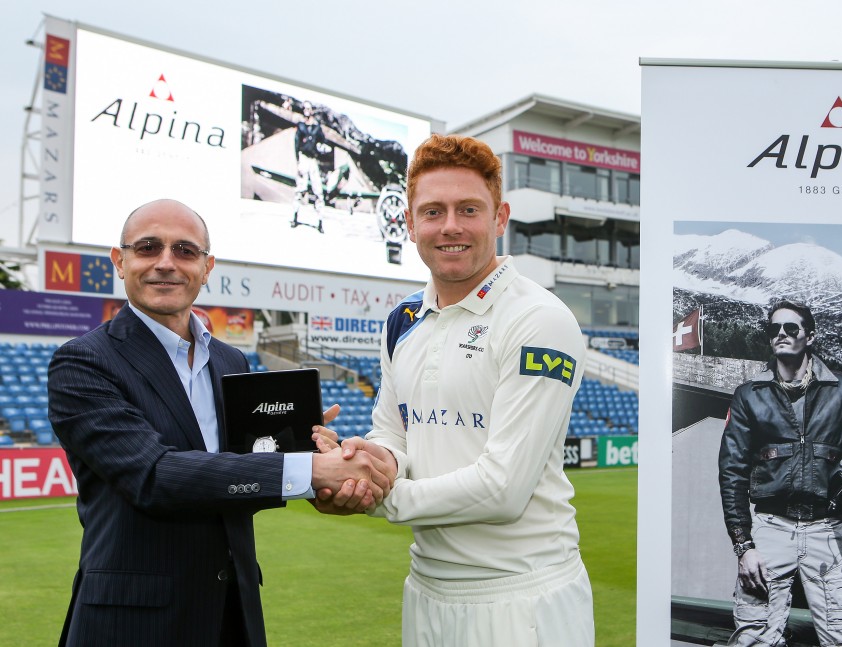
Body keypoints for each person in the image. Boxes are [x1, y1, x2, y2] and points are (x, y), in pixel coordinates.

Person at [48, 199, 394, 647]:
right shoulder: (83, 362)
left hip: (233, 611)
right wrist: (307, 471)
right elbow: (154, 476)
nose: (166, 263)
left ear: (207, 266)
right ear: (120, 260)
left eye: (185, 251)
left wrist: (320, 476)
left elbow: (239, 474)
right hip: (134, 622)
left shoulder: (231, 361)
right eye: (149, 247)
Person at [313, 134, 595, 646]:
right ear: (410, 222)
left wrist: (375, 498)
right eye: (433, 211)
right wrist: (360, 461)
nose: (450, 227)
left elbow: (503, 489)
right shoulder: (403, 320)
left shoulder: (539, 319)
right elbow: (395, 436)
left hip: (520, 598)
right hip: (426, 588)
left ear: (500, 218)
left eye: (469, 209)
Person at [718, 299, 842, 646]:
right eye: (774, 328)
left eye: (790, 328)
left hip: (827, 529)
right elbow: (731, 471)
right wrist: (744, 546)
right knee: (754, 637)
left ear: (809, 335)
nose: (781, 334)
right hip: (770, 527)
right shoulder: (749, 395)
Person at [292, 100, 327, 233]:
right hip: (304, 158)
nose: (306, 111)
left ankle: (320, 221)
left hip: (313, 160)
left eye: (308, 108)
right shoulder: (301, 126)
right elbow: (296, 143)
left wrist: (320, 149)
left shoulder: (317, 128)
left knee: (318, 190)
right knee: (300, 188)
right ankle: (295, 217)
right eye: (304, 108)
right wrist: (298, 161)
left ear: (312, 110)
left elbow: (323, 142)